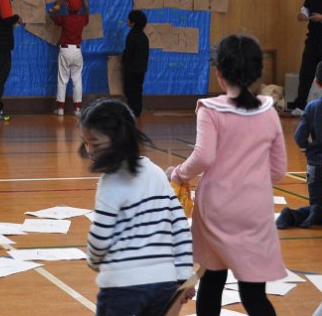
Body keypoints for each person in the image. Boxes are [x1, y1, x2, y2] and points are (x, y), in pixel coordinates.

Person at [168, 34, 286, 316]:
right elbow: (279, 170)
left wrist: (179, 173)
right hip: (255, 210)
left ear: (219, 74)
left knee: (211, 284)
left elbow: (204, 156)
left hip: (217, 209)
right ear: (257, 73)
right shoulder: (268, 112)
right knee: (254, 295)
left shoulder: (210, 109)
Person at [80, 98, 194, 316]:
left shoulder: (110, 182)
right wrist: (184, 275)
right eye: (85, 143)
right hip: (164, 283)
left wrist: (93, 260)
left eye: (94, 143)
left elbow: (100, 237)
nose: (89, 151)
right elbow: (180, 227)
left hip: (122, 286)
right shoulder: (157, 173)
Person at [277, 59, 322, 229]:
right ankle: (313, 212)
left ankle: (295, 214)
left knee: (316, 202)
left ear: (316, 82)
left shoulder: (312, 107)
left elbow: (299, 136)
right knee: (317, 208)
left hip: (315, 165)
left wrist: (307, 149)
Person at [49, 0, 90, 117]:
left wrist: (58, 4)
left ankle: (60, 109)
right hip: (77, 51)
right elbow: (86, 13)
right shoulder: (82, 19)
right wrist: (86, 3)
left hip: (65, 51)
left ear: (67, 7)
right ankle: (77, 109)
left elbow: (52, 15)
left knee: (62, 80)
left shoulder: (65, 19)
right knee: (77, 80)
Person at [293, 0, 322, 115]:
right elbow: (306, 8)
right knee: (306, 72)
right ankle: (300, 106)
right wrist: (303, 14)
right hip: (313, 39)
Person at [121, 9, 150, 118]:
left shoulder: (132, 35)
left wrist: (123, 60)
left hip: (131, 69)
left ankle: (131, 111)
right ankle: (137, 111)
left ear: (133, 22)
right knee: (138, 90)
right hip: (141, 69)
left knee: (130, 91)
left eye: (129, 19)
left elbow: (128, 52)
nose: (127, 20)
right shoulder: (143, 36)